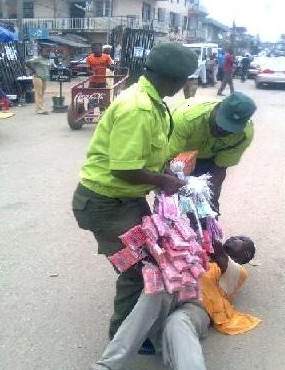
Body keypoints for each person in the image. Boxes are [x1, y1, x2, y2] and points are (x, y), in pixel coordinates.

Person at [72, 42, 198, 341]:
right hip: (105, 203)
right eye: (186, 81)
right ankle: (123, 340)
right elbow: (123, 169)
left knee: (155, 255)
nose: (185, 86)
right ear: (176, 80)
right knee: (140, 270)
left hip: (126, 199)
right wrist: (163, 182)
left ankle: (140, 325)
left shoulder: (153, 102)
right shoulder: (139, 107)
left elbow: (144, 156)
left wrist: (164, 170)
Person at [90, 236, 260, 370]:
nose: (233, 238)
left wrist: (206, 227)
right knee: (154, 292)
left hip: (197, 306)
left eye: (241, 239)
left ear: (246, 255)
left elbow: (222, 258)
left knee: (178, 323)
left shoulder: (238, 272)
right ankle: (107, 365)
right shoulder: (202, 250)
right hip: (173, 290)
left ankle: (176, 352)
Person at [169, 92, 256, 211]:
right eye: (221, 123)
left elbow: (219, 168)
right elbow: (165, 159)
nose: (222, 130)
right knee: (170, 206)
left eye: (229, 129)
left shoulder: (243, 135)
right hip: (177, 158)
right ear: (216, 108)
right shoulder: (185, 118)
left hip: (208, 160)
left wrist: (208, 200)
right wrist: (172, 185)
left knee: (206, 207)